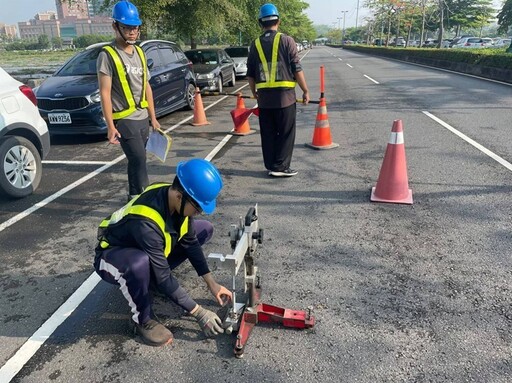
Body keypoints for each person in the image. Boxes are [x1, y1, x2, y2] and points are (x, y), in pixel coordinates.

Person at [93, 158, 232, 347]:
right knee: (139, 263)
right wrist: (199, 312)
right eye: (198, 207)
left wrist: (212, 284)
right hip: (112, 257)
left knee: (203, 228)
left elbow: (190, 242)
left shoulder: (175, 197)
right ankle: (141, 321)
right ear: (180, 196)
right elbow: (165, 277)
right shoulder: (145, 222)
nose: (199, 212)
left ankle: (149, 280)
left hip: (145, 247)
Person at [97, 0, 160, 201]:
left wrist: (154, 118)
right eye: (127, 27)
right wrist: (110, 125)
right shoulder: (108, 55)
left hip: (142, 117)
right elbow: (105, 93)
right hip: (124, 119)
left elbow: (147, 86)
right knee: (138, 158)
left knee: (137, 161)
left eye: (135, 27)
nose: (132, 32)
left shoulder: (140, 52)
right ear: (115, 26)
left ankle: (133, 197)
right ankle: (144, 199)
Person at [246, 3, 310, 178]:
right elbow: (296, 68)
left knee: (267, 134)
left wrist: (254, 93)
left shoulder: (255, 44)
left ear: (261, 23)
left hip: (265, 100)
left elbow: (250, 73)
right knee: (286, 133)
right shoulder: (287, 40)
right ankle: (280, 167)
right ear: (278, 21)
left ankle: (271, 165)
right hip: (285, 99)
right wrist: (305, 90)